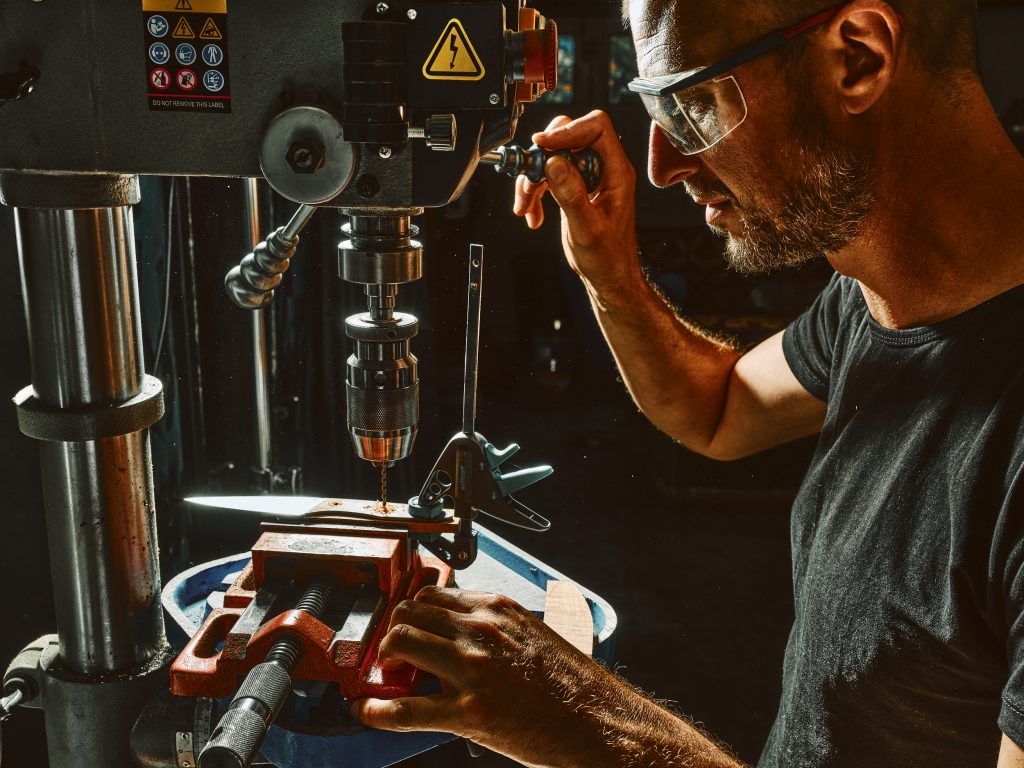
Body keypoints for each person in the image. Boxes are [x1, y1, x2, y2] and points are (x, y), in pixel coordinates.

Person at [352, 0, 1024, 765]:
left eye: (696, 104)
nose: (664, 167)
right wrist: (610, 271)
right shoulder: (884, 293)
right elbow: (720, 406)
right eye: (657, 110)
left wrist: (586, 723)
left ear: (858, 58)